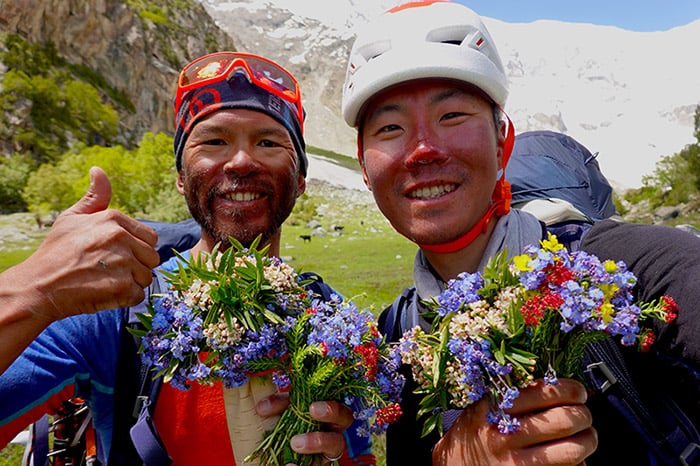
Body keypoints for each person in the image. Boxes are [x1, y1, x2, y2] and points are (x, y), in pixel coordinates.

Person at [340, 1, 696, 465]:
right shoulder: (397, 342)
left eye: (452, 116)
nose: (423, 150)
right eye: (390, 128)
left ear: (502, 140)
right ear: (365, 167)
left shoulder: (634, 269)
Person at [0, 52, 369, 465]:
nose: (242, 161)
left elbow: (359, 452)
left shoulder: (331, 320)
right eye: (214, 141)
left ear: (300, 179)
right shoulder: (119, 309)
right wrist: (32, 289)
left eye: (267, 142)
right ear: (180, 177)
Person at [0, 166, 160, 375]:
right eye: (212, 142)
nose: (220, 163)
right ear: (180, 178)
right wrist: (39, 286)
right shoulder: (94, 318)